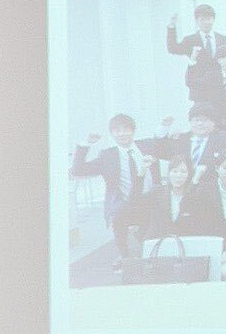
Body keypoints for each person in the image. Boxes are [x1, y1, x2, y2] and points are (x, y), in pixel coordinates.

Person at [69, 113, 166, 267]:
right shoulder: (108, 155)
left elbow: (164, 148)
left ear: (133, 130)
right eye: (117, 131)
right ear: (112, 134)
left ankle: (149, 252)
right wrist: (85, 144)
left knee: (149, 236)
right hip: (124, 202)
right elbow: (77, 170)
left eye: (126, 129)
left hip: (149, 199)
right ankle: (125, 256)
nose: (122, 134)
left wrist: (164, 127)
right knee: (118, 216)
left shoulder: (147, 146)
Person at [187, 151, 226, 279]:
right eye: (225, 168)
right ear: (217, 169)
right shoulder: (204, 191)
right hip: (207, 246)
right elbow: (197, 222)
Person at [167, 4, 226, 103]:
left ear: (213, 20)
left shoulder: (223, 39)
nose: (206, 22)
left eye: (209, 19)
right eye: (203, 19)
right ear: (197, 21)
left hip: (220, 90)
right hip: (200, 91)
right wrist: (172, 26)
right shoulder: (190, 40)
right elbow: (173, 48)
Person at [135, 154, 197, 241]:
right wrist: (140, 175)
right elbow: (135, 201)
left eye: (183, 172)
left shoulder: (194, 198)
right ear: (169, 173)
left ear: (189, 175)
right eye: (174, 171)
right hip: (157, 242)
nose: (178, 175)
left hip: (184, 244)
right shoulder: (157, 193)